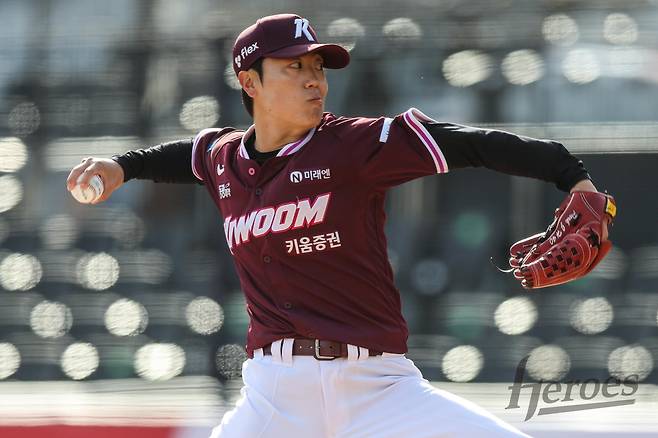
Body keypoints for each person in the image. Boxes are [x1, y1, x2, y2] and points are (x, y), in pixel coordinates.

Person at [67, 13, 609, 438]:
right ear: (249, 81)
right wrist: (122, 166)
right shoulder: (223, 157)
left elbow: (470, 144)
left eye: (318, 67)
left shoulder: (353, 145)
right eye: (294, 67)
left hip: (379, 390)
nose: (314, 81)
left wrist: (571, 176)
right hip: (275, 397)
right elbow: (181, 156)